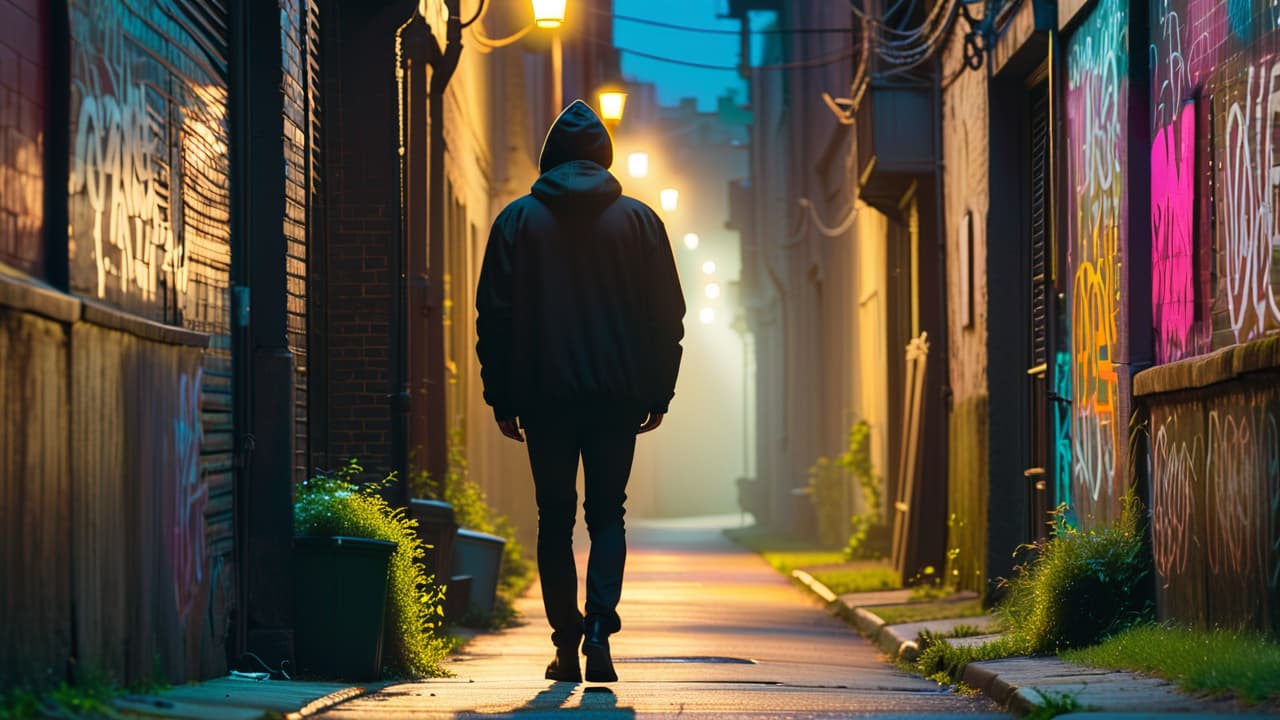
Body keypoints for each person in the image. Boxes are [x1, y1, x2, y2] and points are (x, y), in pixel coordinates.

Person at [475, 100, 685, 683]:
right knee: (607, 515)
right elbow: (667, 317)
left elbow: (492, 315)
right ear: (603, 157)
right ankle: (600, 630)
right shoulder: (640, 223)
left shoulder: (516, 221)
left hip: (544, 397)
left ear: (550, 159)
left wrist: (502, 396)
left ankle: (565, 645)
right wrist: (658, 393)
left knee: (553, 518)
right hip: (617, 397)